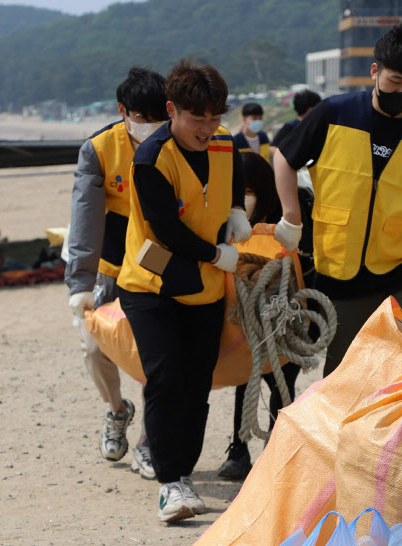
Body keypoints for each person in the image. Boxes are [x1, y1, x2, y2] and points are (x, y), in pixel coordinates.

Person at [273, 19, 402, 377]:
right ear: (374, 70)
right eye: (395, 81)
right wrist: (292, 216)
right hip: (340, 275)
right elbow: (284, 158)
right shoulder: (334, 114)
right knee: (344, 382)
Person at [116, 60, 250, 523]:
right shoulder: (151, 159)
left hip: (205, 288)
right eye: (198, 119)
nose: (208, 129)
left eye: (215, 117)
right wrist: (218, 256)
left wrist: (236, 210)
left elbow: (234, 177)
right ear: (172, 110)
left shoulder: (225, 143)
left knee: (197, 384)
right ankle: (169, 483)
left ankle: (184, 473)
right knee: (166, 378)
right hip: (151, 282)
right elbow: (167, 230)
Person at [65, 67, 169, 479]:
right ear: (122, 111)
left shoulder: (175, 142)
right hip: (109, 266)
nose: (150, 125)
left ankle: (148, 440)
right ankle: (116, 410)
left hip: (156, 262)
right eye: (141, 116)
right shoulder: (99, 148)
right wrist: (80, 284)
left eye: (158, 115)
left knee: (153, 354)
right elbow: (84, 219)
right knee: (94, 348)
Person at [217, 151, 302, 480]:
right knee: (245, 380)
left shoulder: (288, 224)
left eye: (248, 192)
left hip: (286, 316)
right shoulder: (225, 226)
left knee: (283, 383)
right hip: (242, 319)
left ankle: (277, 451)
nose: (242, 199)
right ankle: (238, 450)